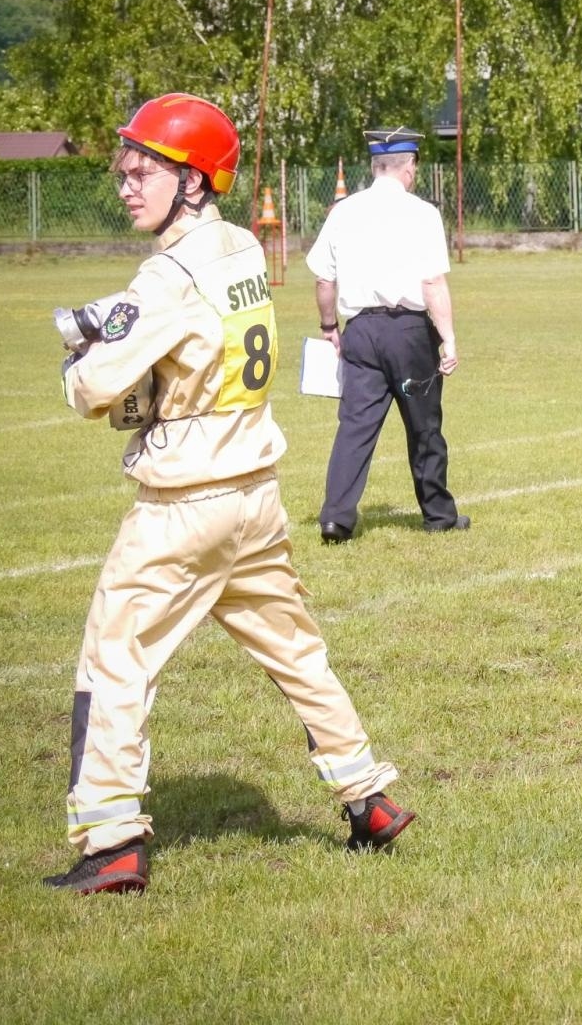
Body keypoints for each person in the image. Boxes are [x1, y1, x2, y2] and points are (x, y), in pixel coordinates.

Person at [47, 93, 413, 895]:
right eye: (125, 168)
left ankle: (110, 843)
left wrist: (82, 358)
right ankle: (368, 797)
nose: (125, 183)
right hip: (255, 490)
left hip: (184, 502)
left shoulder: (164, 274)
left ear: (195, 181)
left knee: (114, 658)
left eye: (144, 169)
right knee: (298, 653)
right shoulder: (244, 246)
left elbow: (96, 389)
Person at [309, 126, 466, 541]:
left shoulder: (342, 212)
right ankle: (438, 515)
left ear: (375, 166)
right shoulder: (423, 213)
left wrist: (330, 328)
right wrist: (448, 337)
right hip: (409, 333)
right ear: (409, 167)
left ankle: (336, 517)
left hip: (360, 330)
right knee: (424, 425)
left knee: (355, 426)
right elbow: (432, 282)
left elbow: (324, 280)